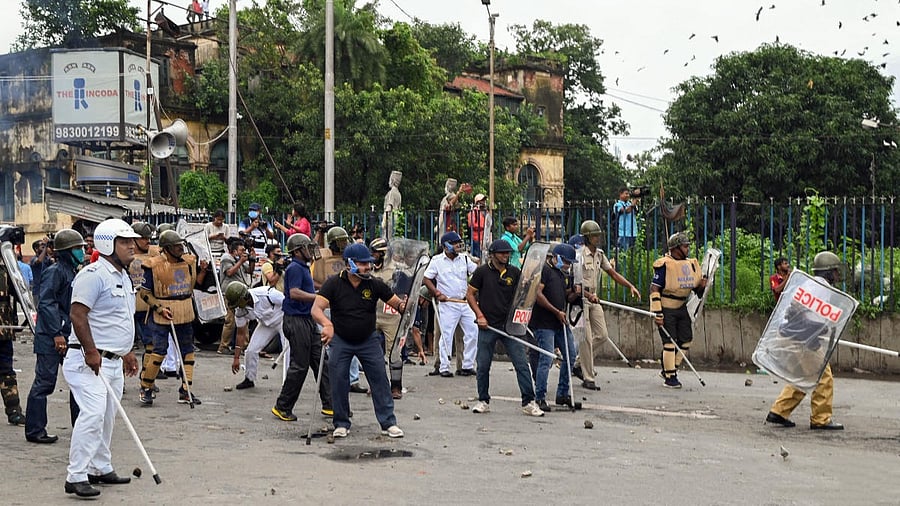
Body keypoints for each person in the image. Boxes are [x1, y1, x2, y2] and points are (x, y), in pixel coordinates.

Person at [63, 218, 140, 498]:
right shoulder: (93, 274)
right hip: (87, 361)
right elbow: (77, 314)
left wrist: (127, 352)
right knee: (93, 413)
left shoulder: (122, 275)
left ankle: (100, 467)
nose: (132, 245)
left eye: (132, 241)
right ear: (108, 244)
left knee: (108, 416)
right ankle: (76, 475)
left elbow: (116, 320)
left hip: (113, 361)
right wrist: (92, 351)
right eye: (125, 241)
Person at [313, 243, 407, 439]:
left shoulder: (374, 283)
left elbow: (396, 303)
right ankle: (341, 422)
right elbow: (316, 309)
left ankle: (388, 422)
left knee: (380, 379)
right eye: (363, 264)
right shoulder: (333, 283)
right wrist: (327, 325)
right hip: (340, 339)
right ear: (349, 264)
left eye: (368, 263)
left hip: (368, 340)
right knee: (338, 380)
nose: (368, 267)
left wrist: (404, 305)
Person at [765, 251, 845, 430]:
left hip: (790, 334)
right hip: (801, 337)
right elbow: (798, 310)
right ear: (828, 272)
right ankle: (821, 419)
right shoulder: (821, 287)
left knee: (803, 377)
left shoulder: (809, 283)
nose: (837, 275)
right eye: (835, 271)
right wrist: (814, 328)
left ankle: (778, 412)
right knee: (823, 377)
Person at [466, 239, 544, 417]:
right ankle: (483, 400)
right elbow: (470, 294)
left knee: (521, 364)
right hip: (488, 326)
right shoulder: (482, 272)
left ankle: (528, 402)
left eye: (508, 253)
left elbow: (523, 295)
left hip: (510, 327)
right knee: (483, 365)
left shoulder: (514, 272)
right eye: (502, 253)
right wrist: (479, 315)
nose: (506, 256)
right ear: (493, 255)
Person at [25, 229, 85, 444]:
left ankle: (81, 426)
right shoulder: (55, 271)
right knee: (45, 382)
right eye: (77, 248)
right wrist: (57, 334)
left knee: (78, 382)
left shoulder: (73, 271)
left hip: (66, 334)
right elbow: (47, 303)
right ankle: (35, 430)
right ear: (66, 251)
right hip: (51, 336)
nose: (81, 251)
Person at [137, 230, 208, 406]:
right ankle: (146, 387)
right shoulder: (152, 265)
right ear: (167, 248)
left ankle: (186, 390)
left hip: (184, 311)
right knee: (159, 350)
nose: (180, 248)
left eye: (181, 245)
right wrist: (159, 308)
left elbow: (192, 285)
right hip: (162, 313)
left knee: (188, 352)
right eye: (176, 246)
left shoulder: (189, 262)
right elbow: (145, 293)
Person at [574, 219, 642, 390]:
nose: (598, 238)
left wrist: (630, 286)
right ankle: (588, 377)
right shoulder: (579, 255)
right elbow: (574, 284)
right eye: (594, 236)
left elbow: (612, 273)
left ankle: (578, 364)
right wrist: (587, 295)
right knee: (586, 339)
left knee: (602, 335)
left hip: (594, 298)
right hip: (580, 299)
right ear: (587, 237)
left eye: (598, 235)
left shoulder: (600, 254)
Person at [272, 233, 332, 421]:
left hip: (306, 320)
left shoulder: (303, 267)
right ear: (298, 251)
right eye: (306, 247)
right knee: (300, 365)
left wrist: (325, 288)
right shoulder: (295, 268)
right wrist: (318, 297)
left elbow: (309, 284)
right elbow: (295, 293)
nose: (310, 250)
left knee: (321, 361)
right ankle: (283, 406)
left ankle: (331, 405)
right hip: (296, 320)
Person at [650, 232, 708, 389]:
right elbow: (654, 288)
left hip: (682, 307)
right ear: (676, 248)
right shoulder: (664, 264)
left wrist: (702, 285)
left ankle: (670, 367)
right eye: (685, 246)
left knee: (686, 339)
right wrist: (658, 313)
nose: (688, 249)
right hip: (666, 307)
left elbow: (697, 291)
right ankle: (670, 377)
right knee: (669, 342)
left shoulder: (690, 264)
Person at [529, 243, 579, 412]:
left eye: (569, 263)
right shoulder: (545, 271)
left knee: (570, 355)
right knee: (547, 358)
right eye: (565, 261)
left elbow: (565, 295)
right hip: (545, 323)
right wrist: (556, 311)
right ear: (555, 257)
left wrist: (575, 292)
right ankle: (540, 396)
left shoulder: (561, 274)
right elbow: (538, 294)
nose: (567, 265)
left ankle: (563, 393)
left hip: (560, 322)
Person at [423, 231, 478, 377]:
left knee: (473, 332)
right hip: (448, 303)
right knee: (446, 335)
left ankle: (467, 365)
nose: (458, 245)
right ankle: (444, 367)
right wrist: (437, 293)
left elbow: (477, 273)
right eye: (455, 243)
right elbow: (427, 278)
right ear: (446, 246)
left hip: (465, 302)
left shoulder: (465, 259)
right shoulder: (436, 261)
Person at [224, 282, 287, 390]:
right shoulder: (240, 311)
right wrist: (236, 358)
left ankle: (287, 384)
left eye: (238, 303)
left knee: (287, 351)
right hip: (266, 324)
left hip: (283, 320)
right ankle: (249, 379)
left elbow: (288, 303)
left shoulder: (268, 294)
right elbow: (240, 333)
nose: (237, 307)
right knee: (251, 351)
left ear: (243, 298)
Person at [369, 238, 403, 398]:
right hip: (372, 314)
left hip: (391, 316)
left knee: (393, 352)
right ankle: (375, 385)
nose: (372, 256)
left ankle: (396, 387)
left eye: (375, 253)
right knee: (370, 352)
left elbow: (403, 291)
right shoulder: (367, 269)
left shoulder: (395, 270)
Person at [0, 236, 27, 427]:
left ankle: (14, 410)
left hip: (3, 328)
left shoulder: (6, 267)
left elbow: (19, 292)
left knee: (6, 371)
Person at [217, 238, 254, 354]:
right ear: (234, 251)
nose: (243, 252)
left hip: (241, 294)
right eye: (241, 250)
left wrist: (252, 259)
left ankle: (244, 347)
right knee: (230, 321)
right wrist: (240, 262)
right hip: (230, 293)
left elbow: (249, 271)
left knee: (244, 319)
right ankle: (223, 347)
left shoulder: (239, 260)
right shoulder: (226, 258)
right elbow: (229, 272)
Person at [30, 237, 53, 303]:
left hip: (47, 290)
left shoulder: (47, 259)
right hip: (38, 291)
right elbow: (39, 261)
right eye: (42, 247)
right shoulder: (34, 259)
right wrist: (46, 246)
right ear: (36, 249)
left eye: (45, 246)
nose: (44, 248)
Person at [382, 171, 402, 240]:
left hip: (390, 218)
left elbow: (389, 207)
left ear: (393, 180)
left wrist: (384, 220)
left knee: (387, 239)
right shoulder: (398, 194)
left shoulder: (391, 193)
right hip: (397, 219)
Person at [467, 194, 487, 259]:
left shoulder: (486, 212)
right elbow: (471, 224)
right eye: (482, 200)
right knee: (477, 257)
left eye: (484, 200)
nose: (483, 202)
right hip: (476, 238)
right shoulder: (473, 212)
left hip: (485, 237)